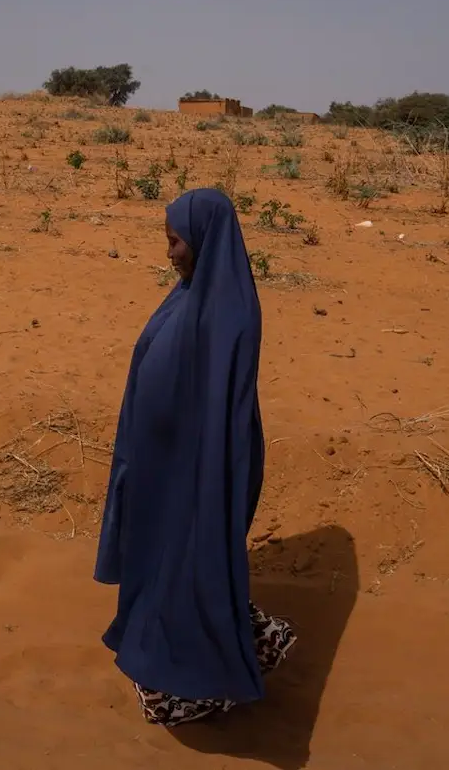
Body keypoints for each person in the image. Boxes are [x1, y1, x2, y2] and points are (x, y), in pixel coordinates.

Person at [93, 188, 297, 727]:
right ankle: (222, 657)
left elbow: (220, 409)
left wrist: (199, 475)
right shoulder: (186, 293)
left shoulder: (230, 311)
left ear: (204, 238)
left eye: (175, 241)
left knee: (187, 566)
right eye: (167, 240)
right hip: (163, 465)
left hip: (198, 467)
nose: (169, 252)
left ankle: (194, 683)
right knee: (165, 565)